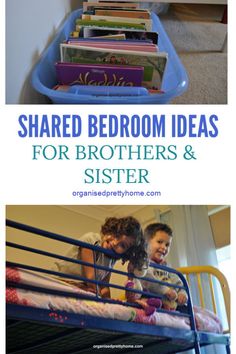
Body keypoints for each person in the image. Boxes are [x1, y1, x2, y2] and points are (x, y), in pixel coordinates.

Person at [53, 216, 148, 298]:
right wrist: (98, 294)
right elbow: (91, 279)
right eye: (116, 235)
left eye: (122, 246)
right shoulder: (91, 240)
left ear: (125, 253)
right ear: (111, 229)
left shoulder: (111, 258)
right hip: (60, 280)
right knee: (89, 292)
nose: (114, 243)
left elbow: (104, 287)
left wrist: (109, 303)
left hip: (82, 287)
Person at [126, 222, 188, 314]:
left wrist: (182, 294)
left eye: (167, 245)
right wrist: (165, 290)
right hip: (150, 298)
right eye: (159, 242)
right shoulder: (144, 264)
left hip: (169, 303)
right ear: (146, 244)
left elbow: (179, 283)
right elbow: (148, 280)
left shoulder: (167, 268)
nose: (164, 247)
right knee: (145, 300)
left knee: (188, 310)